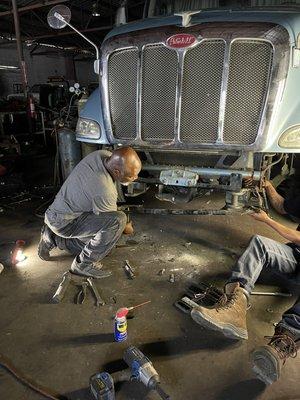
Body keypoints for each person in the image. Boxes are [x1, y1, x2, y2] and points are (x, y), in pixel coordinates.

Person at [191, 180, 300, 385]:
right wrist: (267, 185)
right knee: (260, 244)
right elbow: (282, 205)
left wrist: (268, 221)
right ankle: (236, 306)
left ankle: (283, 342)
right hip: (295, 257)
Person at [38, 147, 142, 279]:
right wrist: (126, 228)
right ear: (116, 171)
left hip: (58, 212)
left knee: (107, 235)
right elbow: (111, 222)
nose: (135, 177)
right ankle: (80, 263)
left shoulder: (102, 155)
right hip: (64, 224)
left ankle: (51, 234)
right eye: (131, 175)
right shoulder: (104, 191)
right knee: (116, 225)